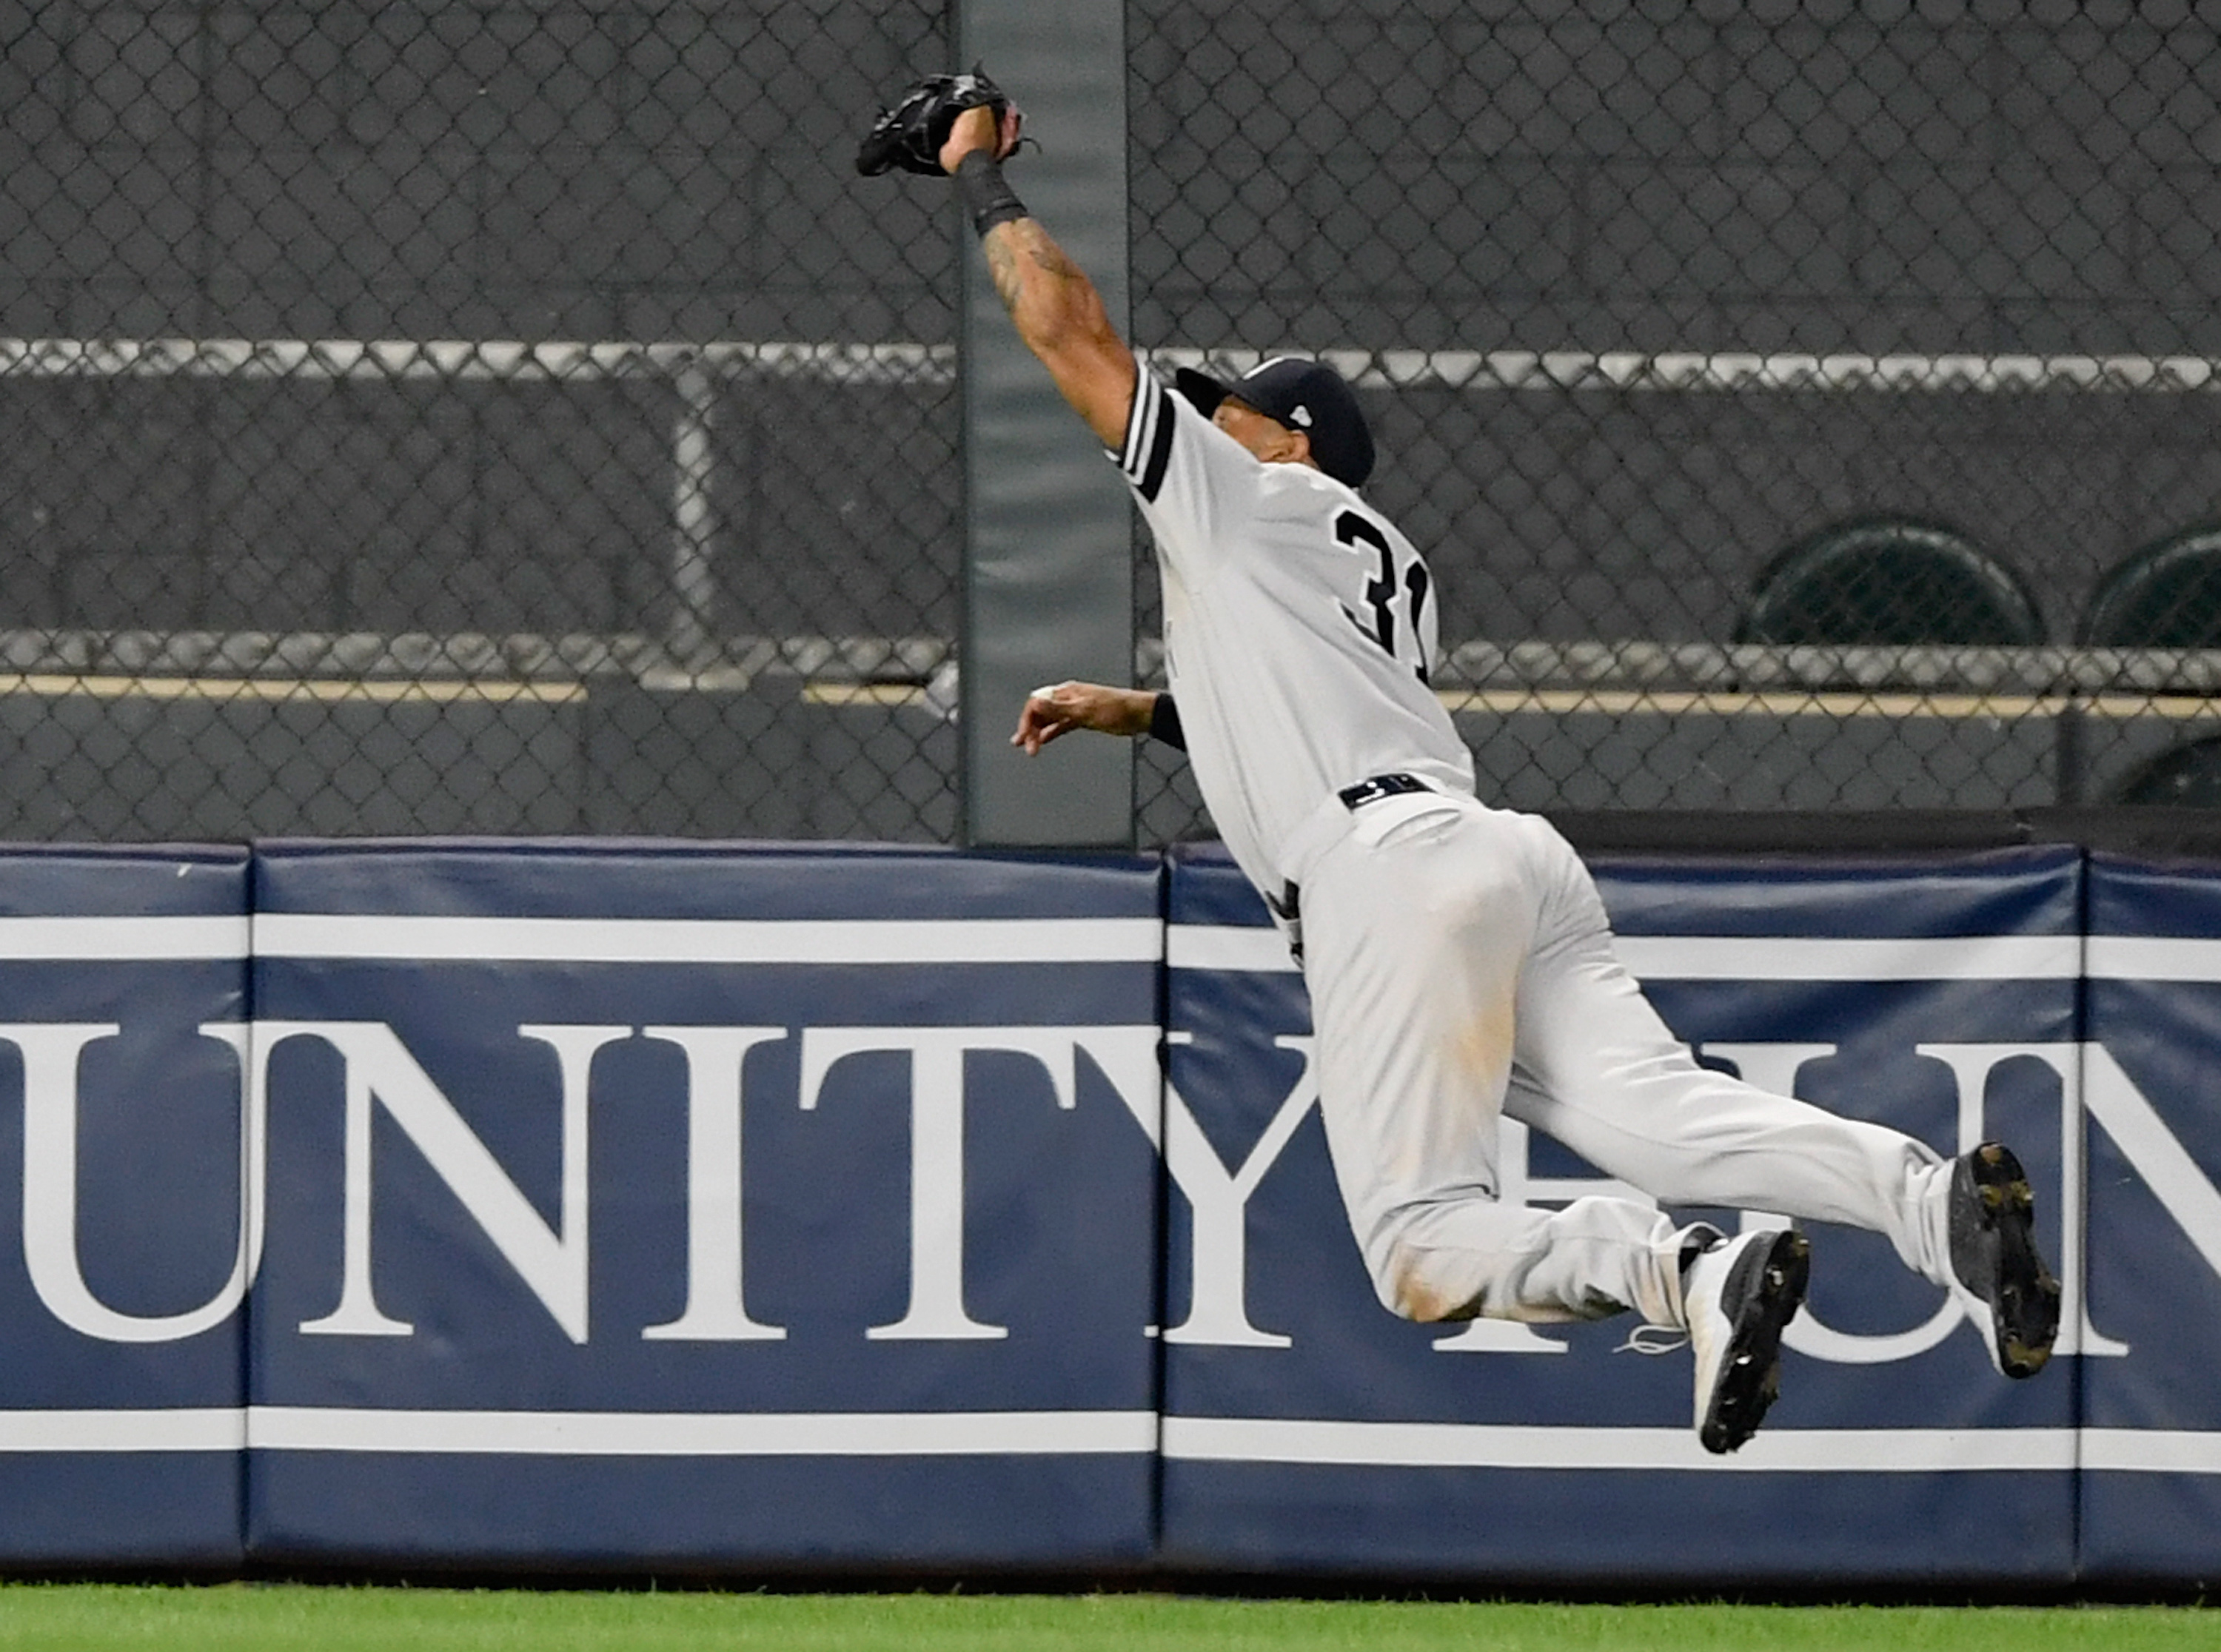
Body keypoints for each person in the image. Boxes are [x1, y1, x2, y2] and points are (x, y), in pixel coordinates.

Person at [931, 93, 2060, 1454]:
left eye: (1235, 411)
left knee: (1418, 1250)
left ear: (1289, 441)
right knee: (1661, 1114)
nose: (1210, 419)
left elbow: (1071, 332)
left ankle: (1683, 1273)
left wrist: (983, 176)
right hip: (1495, 855)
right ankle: (1925, 1199)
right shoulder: (1371, 556)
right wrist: (1147, 713)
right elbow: (1311, 700)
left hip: (1389, 886)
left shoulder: (1245, 495)